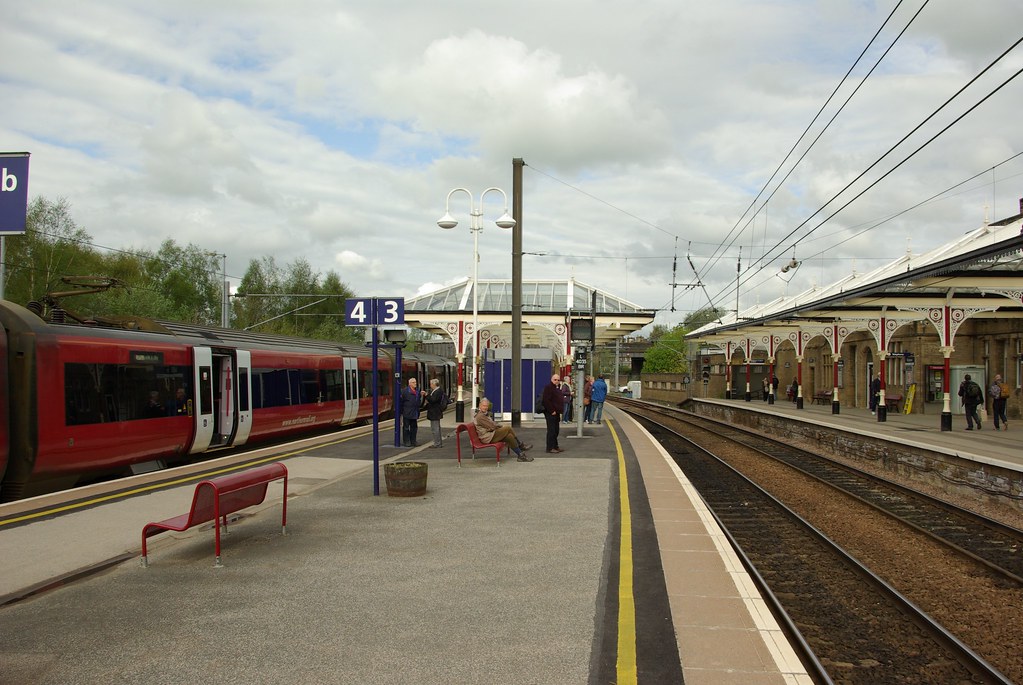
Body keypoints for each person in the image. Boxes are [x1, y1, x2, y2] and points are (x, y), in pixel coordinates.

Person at [473, 397, 532, 462]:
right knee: (508, 428)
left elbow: (492, 425)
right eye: (484, 406)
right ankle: (520, 445)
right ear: (480, 406)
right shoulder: (480, 416)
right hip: (487, 437)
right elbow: (492, 426)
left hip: (491, 434)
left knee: (509, 437)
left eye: (486, 406)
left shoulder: (484, 414)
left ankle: (521, 455)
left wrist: (496, 426)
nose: (485, 407)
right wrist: (499, 426)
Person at [541, 373, 563, 453]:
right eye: (555, 380)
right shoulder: (549, 387)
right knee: (551, 430)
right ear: (551, 380)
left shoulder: (557, 388)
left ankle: (555, 446)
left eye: (558, 380)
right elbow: (546, 400)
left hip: (556, 412)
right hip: (551, 413)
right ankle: (550, 447)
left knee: (556, 430)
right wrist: (552, 410)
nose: (557, 381)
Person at [423, 378, 447, 447]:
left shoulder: (438, 391)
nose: (430, 385)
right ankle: (437, 442)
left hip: (435, 412)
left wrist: (426, 395)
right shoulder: (435, 391)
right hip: (434, 412)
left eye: (431, 384)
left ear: (434, 384)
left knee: (435, 428)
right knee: (435, 428)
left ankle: (437, 443)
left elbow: (433, 400)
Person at [400, 377, 423, 447]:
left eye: (415, 382)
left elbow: (418, 401)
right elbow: (401, 402)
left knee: (414, 428)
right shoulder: (405, 391)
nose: (415, 384)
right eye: (413, 382)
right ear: (409, 384)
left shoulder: (417, 391)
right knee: (406, 428)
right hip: (407, 412)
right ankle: (407, 441)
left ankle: (413, 441)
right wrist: (401, 412)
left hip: (415, 412)